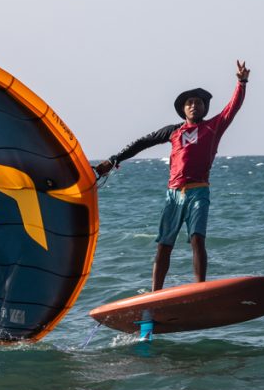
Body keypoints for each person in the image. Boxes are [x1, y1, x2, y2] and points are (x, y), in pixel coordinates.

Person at [95, 60, 251, 292]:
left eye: (198, 103)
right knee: (164, 245)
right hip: (173, 194)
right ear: (183, 109)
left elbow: (233, 107)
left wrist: (241, 82)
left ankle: (200, 288)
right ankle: (156, 292)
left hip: (199, 191)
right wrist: (114, 159)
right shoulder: (173, 131)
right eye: (189, 103)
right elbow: (142, 142)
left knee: (197, 239)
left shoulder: (213, 126)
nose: (194, 106)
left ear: (204, 108)